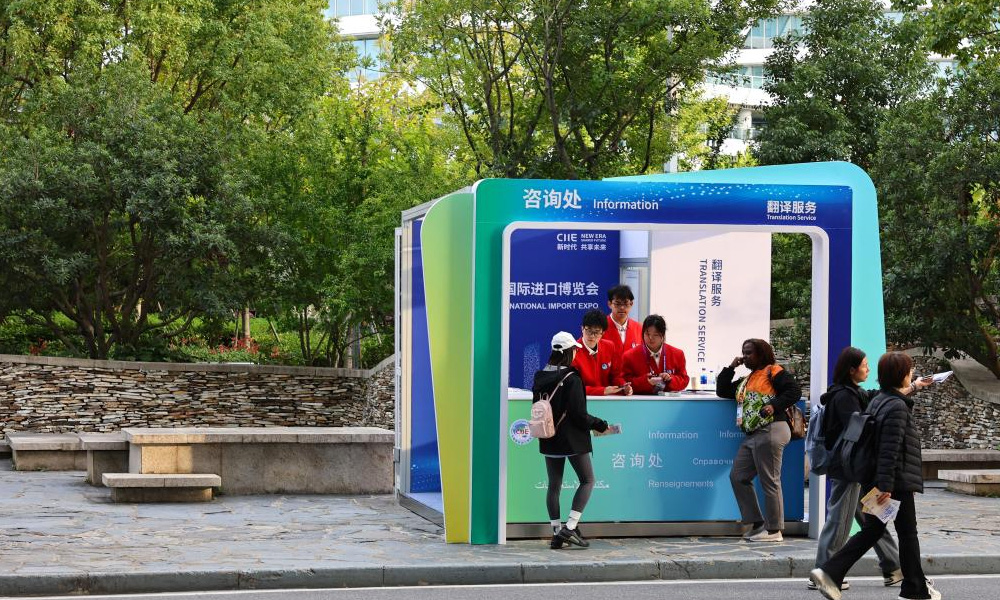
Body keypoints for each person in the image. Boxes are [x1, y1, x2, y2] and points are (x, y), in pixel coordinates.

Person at [810, 352, 942, 600]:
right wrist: (885, 486)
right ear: (901, 374)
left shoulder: (880, 401)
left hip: (885, 480)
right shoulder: (896, 407)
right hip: (895, 482)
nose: (911, 374)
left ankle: (832, 572)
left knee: (874, 531)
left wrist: (915, 387)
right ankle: (913, 588)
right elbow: (889, 450)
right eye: (909, 371)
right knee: (906, 533)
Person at [808, 347, 906, 591]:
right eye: (864, 365)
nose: (868, 369)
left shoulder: (853, 393)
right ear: (852, 370)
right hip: (848, 468)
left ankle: (893, 567)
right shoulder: (844, 397)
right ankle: (824, 570)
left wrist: (912, 387)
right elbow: (859, 427)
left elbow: (874, 398)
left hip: (857, 467)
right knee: (839, 521)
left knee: (874, 520)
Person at [716, 338, 802, 542]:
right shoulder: (747, 379)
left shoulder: (773, 371)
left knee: (770, 480)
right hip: (753, 433)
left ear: (761, 354)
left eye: (749, 353)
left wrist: (774, 405)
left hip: (772, 429)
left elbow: (794, 391)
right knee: (738, 476)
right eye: (743, 353)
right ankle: (757, 523)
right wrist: (731, 367)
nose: (745, 357)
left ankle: (774, 531)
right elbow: (722, 390)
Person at [533, 331, 610, 549]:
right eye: (575, 350)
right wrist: (600, 424)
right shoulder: (572, 378)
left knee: (554, 485)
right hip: (572, 439)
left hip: (548, 436)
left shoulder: (539, 377)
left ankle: (556, 533)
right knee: (587, 480)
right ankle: (570, 526)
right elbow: (579, 415)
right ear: (570, 352)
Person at [622, 314, 690, 394]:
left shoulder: (677, 354)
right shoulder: (629, 356)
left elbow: (684, 380)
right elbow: (625, 383)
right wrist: (646, 382)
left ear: (663, 335)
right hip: (641, 400)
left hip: (669, 401)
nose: (651, 338)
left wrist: (670, 379)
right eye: (647, 334)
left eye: (656, 335)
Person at [572, 309, 632, 396]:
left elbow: (615, 376)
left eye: (596, 332)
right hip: (583, 399)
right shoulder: (573, 352)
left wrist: (623, 386)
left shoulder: (609, 346)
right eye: (588, 330)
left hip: (607, 399)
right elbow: (573, 387)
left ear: (603, 333)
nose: (592, 336)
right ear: (582, 328)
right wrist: (602, 390)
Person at [602, 285, 642, 359]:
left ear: (631, 304)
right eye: (617, 304)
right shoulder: (600, 327)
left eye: (626, 304)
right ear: (609, 304)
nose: (622, 307)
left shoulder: (639, 328)